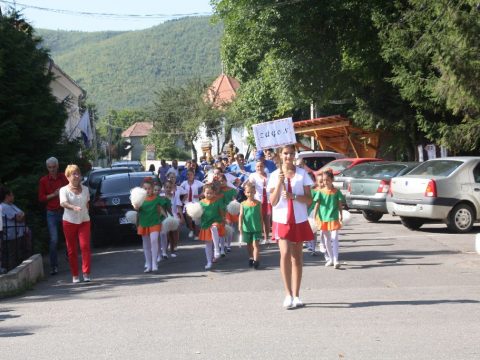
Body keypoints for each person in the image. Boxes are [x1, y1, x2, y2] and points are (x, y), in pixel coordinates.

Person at [268, 144, 314, 309]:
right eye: (285, 153)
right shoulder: (274, 176)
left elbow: (309, 200)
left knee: (297, 257)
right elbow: (272, 202)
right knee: (285, 254)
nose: (288, 156)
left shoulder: (303, 174)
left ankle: (296, 295)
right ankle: (287, 294)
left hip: (299, 220)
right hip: (281, 220)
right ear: (280, 155)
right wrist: (280, 183)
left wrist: (294, 196)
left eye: (291, 153)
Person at [59, 165, 92, 283]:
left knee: (85, 246)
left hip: (84, 220)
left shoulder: (86, 189)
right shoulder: (64, 190)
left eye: (78, 173)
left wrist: (84, 211)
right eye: (74, 174)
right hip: (69, 221)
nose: (77, 176)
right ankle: (75, 275)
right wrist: (73, 207)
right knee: (72, 249)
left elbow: (87, 203)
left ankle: (86, 273)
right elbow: (63, 203)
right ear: (67, 177)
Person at [38, 157, 68, 275]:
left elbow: (72, 189)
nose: (52, 169)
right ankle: (54, 266)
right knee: (54, 239)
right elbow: (41, 198)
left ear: (57, 166)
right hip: (51, 212)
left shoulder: (64, 177)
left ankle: (70, 258)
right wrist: (54, 194)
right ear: (47, 168)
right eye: (50, 167)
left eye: (54, 167)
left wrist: (64, 190)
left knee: (69, 237)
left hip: (65, 210)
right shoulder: (43, 180)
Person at [134, 177, 167, 273]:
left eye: (149, 188)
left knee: (154, 240)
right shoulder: (140, 199)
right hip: (144, 223)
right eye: (145, 189)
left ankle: (154, 263)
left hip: (155, 223)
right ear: (142, 189)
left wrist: (167, 217)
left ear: (152, 188)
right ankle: (148, 264)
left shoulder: (157, 198)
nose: (147, 190)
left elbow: (162, 208)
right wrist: (136, 207)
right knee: (146, 245)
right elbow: (137, 210)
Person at [312, 170, 344, 269]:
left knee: (334, 238)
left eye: (328, 180)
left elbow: (339, 205)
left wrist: (341, 214)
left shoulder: (336, 192)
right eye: (324, 180)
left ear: (332, 180)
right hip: (323, 218)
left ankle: (336, 260)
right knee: (326, 240)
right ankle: (330, 258)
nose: (325, 182)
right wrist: (314, 215)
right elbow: (317, 204)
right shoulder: (320, 192)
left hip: (333, 217)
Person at [198, 183, 225, 270]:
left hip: (216, 222)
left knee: (214, 227)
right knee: (208, 244)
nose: (209, 195)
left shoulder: (218, 201)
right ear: (203, 193)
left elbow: (222, 212)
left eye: (210, 193)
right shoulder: (201, 203)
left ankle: (217, 249)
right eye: (207, 193)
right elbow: (198, 214)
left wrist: (224, 220)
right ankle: (209, 262)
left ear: (214, 193)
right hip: (206, 224)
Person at [238, 182, 263, 269]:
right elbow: (241, 215)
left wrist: (262, 227)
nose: (250, 194)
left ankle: (256, 261)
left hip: (256, 227)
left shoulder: (258, 203)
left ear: (255, 192)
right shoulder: (243, 204)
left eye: (252, 192)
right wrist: (240, 226)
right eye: (248, 192)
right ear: (245, 193)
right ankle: (251, 257)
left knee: (255, 244)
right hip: (247, 228)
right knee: (248, 245)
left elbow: (261, 216)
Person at [248, 160, 271, 244]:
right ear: (255, 167)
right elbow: (250, 186)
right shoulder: (253, 175)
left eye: (261, 166)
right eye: (257, 166)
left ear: (264, 167)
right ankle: (258, 237)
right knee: (259, 219)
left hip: (268, 200)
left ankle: (267, 238)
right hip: (258, 200)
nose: (259, 168)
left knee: (267, 219)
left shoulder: (269, 175)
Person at [180, 169, 204, 239]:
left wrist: (200, 195)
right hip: (187, 203)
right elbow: (179, 189)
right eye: (188, 174)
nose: (189, 176)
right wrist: (183, 196)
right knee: (188, 219)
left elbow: (205, 187)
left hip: (195, 203)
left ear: (194, 175)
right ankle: (191, 230)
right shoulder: (184, 183)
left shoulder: (197, 183)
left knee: (196, 220)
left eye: (191, 174)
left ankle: (196, 234)